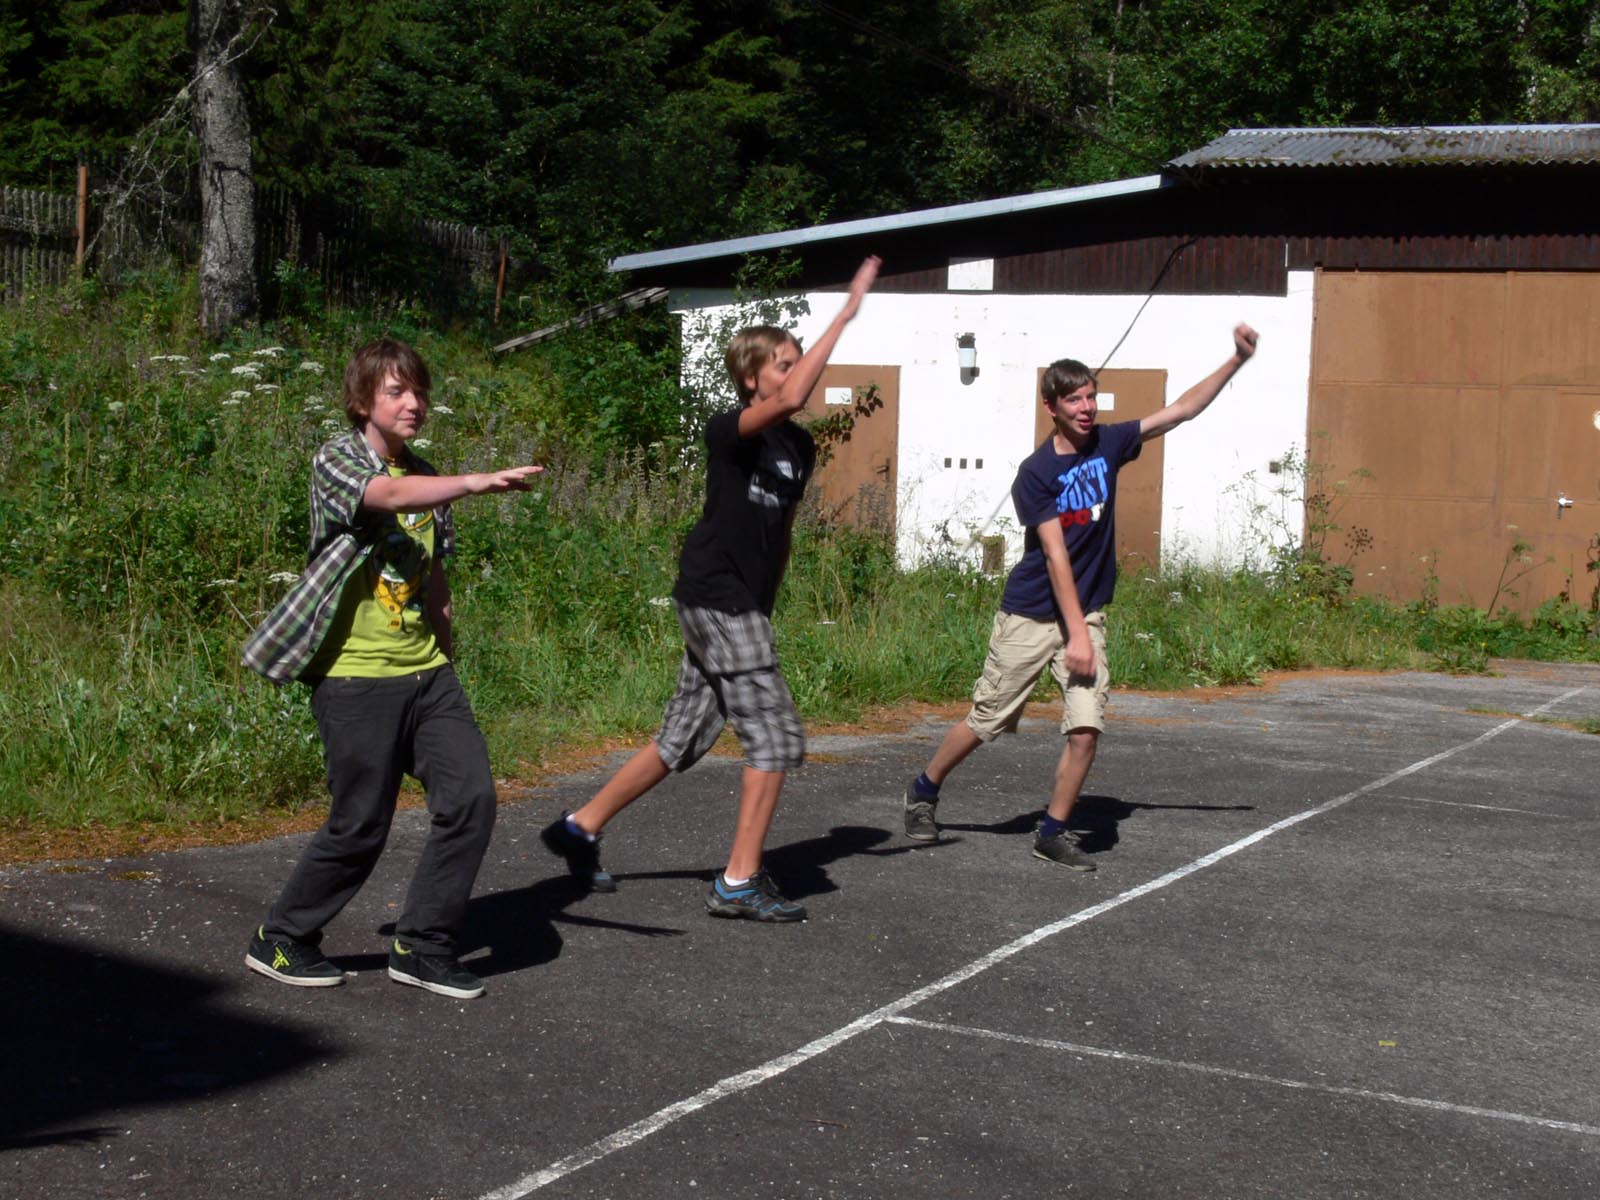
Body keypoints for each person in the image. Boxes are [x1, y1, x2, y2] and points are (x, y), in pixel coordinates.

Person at [541, 256, 882, 922]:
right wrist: (845, 313)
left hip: (739, 603)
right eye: (784, 363)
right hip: (713, 591)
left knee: (684, 736)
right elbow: (788, 399)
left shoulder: (799, 448)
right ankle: (738, 882)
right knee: (774, 738)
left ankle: (579, 827)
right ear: (751, 377)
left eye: (797, 361)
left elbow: (781, 532)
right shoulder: (729, 431)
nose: (796, 373)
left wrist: (767, 603)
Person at [241, 337, 541, 999]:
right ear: (361, 401)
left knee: (471, 800)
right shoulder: (337, 460)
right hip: (355, 677)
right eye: (397, 391)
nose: (414, 403)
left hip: (427, 674)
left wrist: (446, 650)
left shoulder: (427, 477)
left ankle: (423, 946)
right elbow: (389, 494)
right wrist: (474, 481)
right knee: (361, 823)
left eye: (420, 391)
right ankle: (282, 938)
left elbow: (435, 576)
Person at [903, 324, 1260, 869]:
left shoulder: (1110, 444)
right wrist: (1075, 635)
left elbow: (1182, 410)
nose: (1086, 408)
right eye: (1074, 399)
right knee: (987, 720)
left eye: (1091, 396)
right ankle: (924, 789)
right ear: (1052, 407)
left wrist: (1235, 360)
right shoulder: (1036, 474)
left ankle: (1052, 831)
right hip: (1030, 614)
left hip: (1083, 615)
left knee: (1086, 729)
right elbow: (1055, 557)